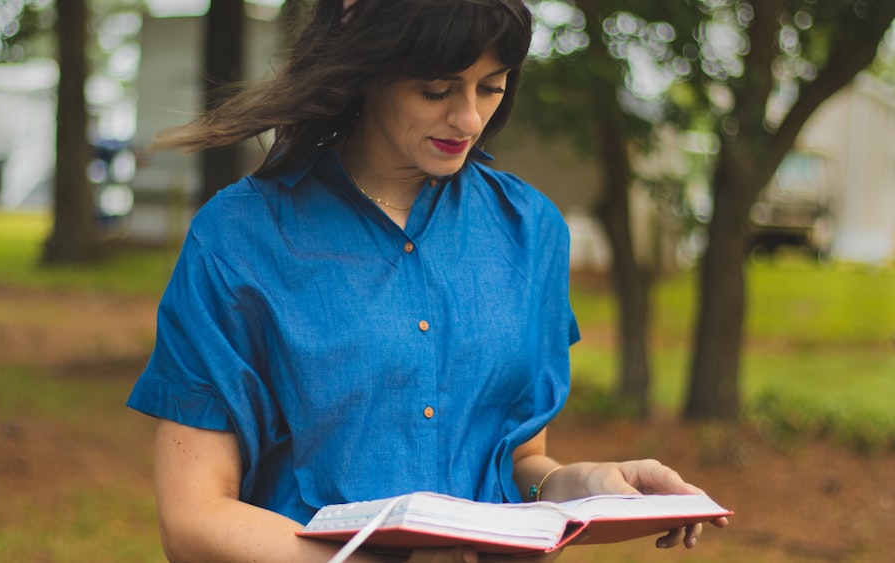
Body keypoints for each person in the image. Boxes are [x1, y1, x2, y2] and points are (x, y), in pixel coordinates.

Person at [126, 1, 729, 561]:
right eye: (436, 89)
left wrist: (591, 485)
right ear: (366, 66)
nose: (468, 117)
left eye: (491, 87)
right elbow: (193, 516)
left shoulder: (531, 230)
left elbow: (521, 461)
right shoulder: (238, 236)